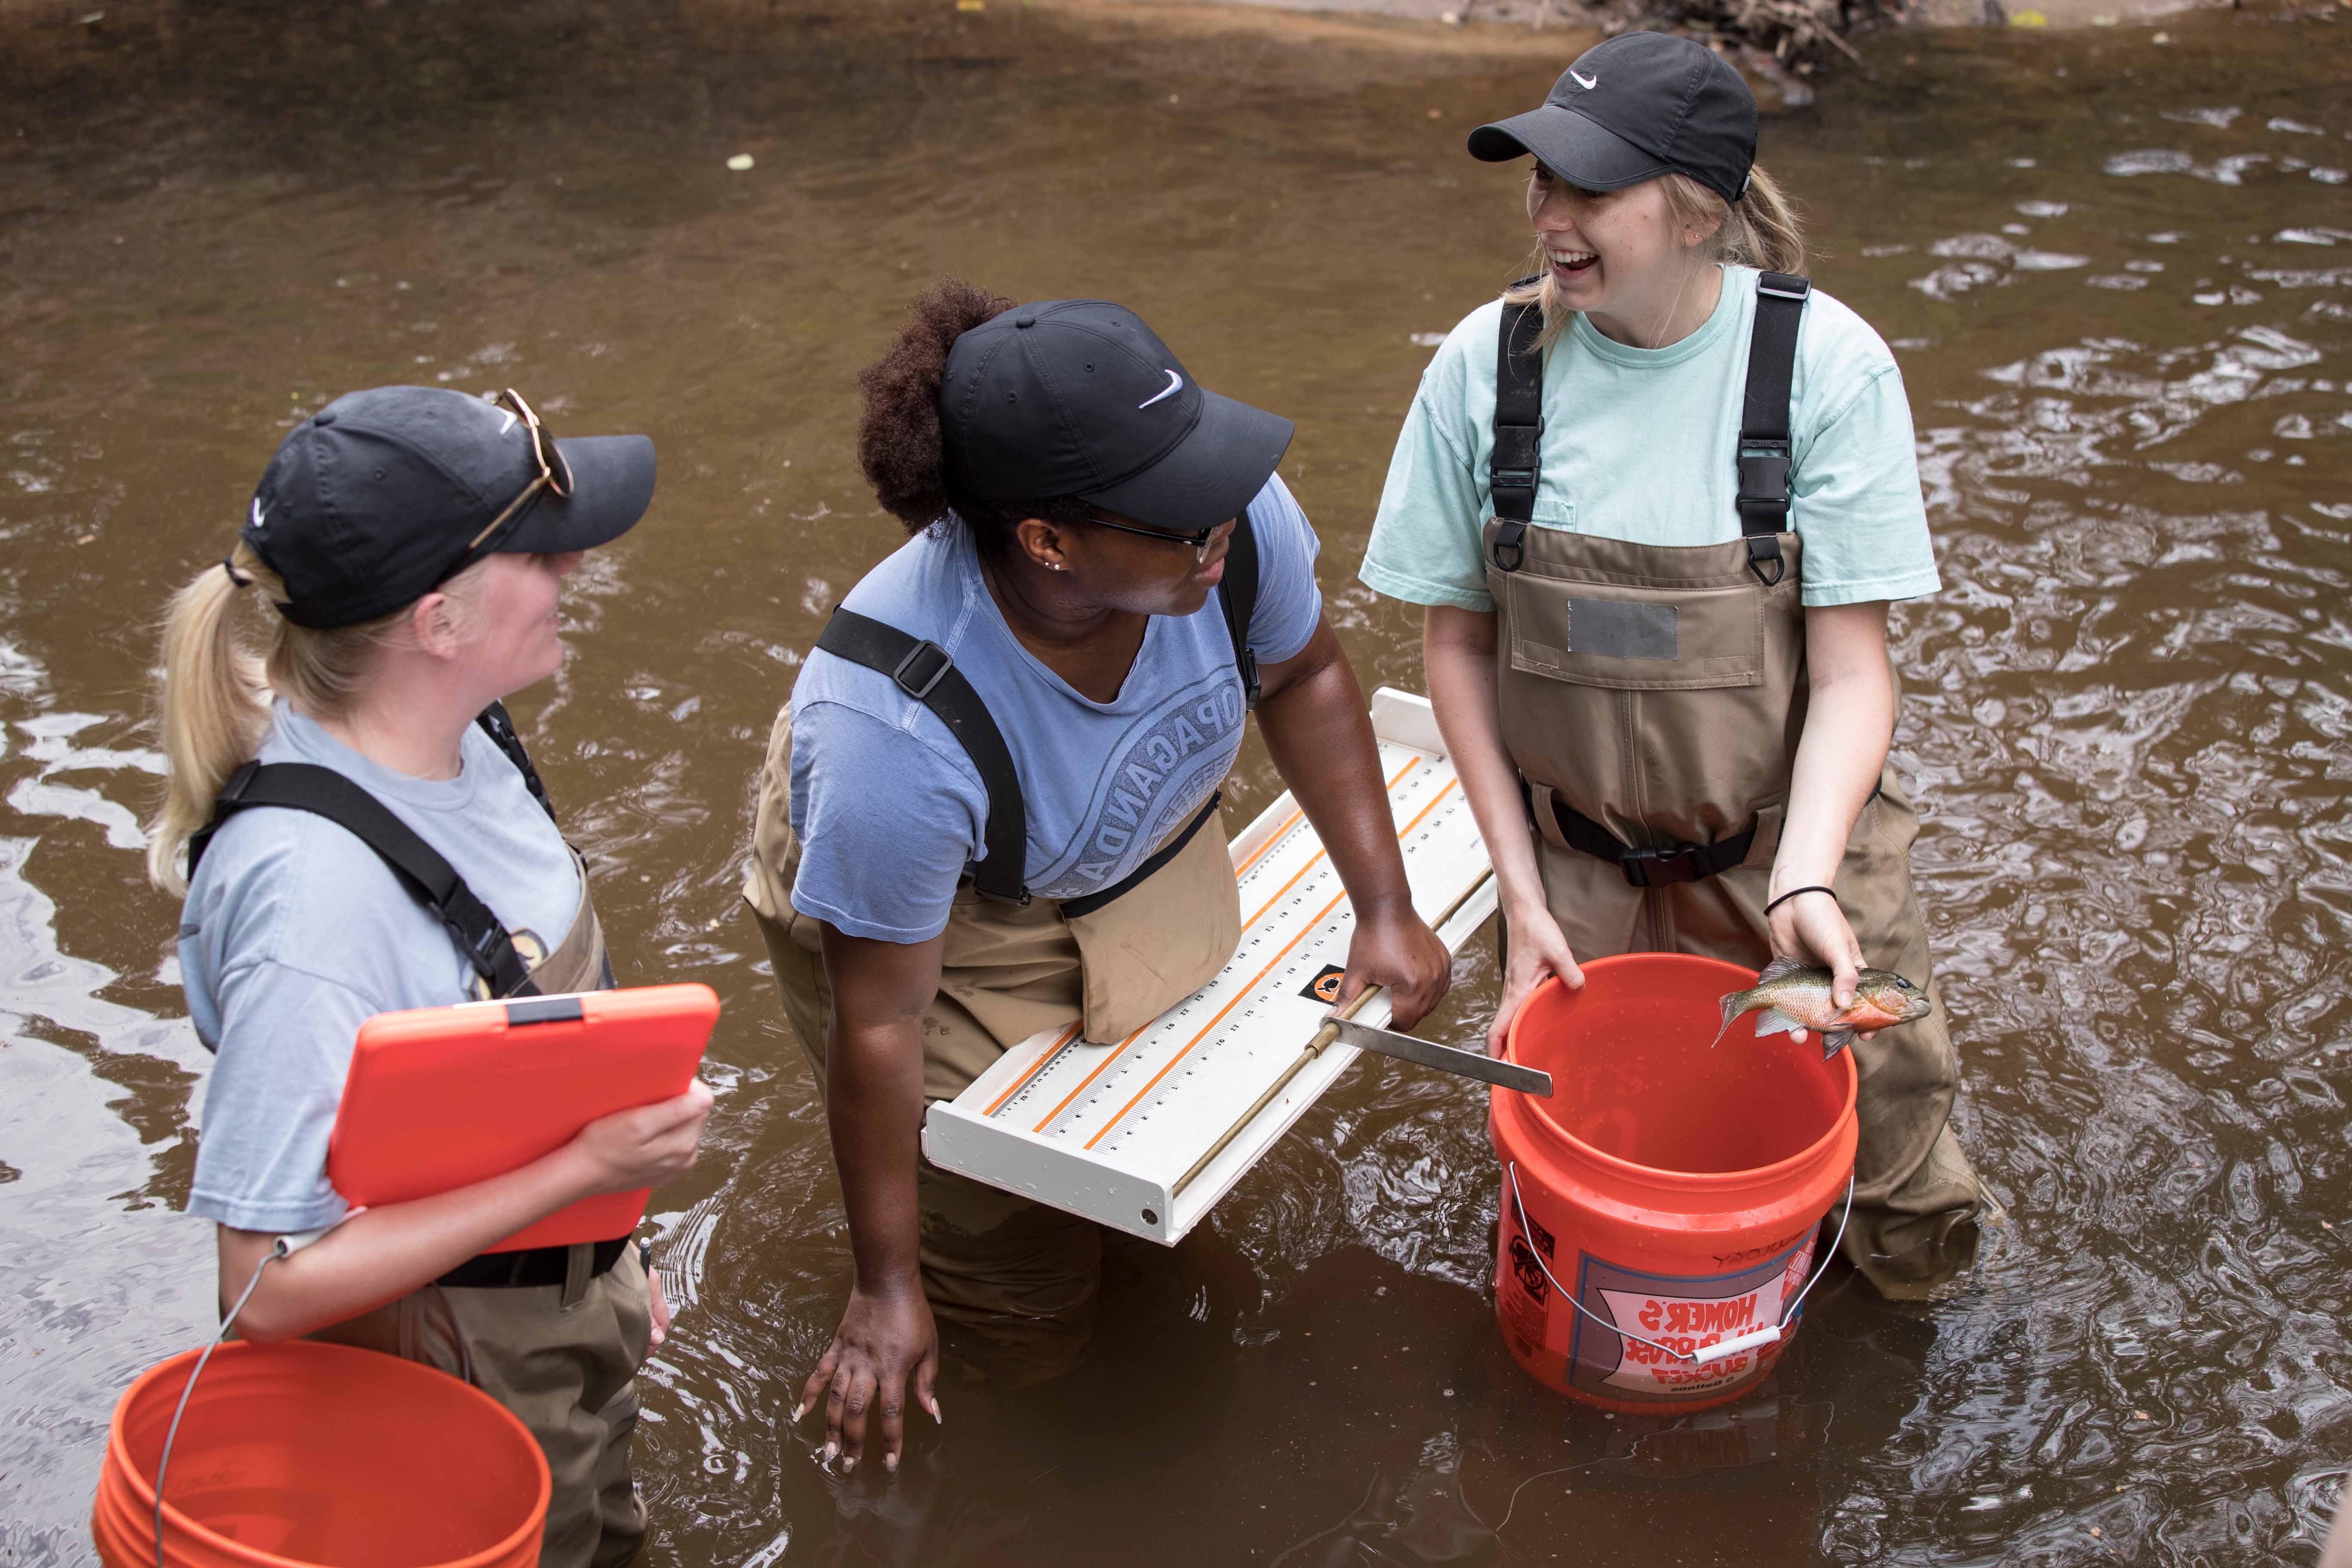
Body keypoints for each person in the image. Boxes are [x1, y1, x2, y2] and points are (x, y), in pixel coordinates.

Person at [743, 280, 1454, 1471]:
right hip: (937, 922)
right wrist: (887, 1286)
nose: (1223, 518)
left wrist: (1384, 908)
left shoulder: (1221, 528)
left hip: (1120, 846)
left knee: (1157, 1196)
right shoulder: (893, 736)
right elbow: (882, 1023)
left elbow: (1311, 677)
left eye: (1213, 473)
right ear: (1048, 542)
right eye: (1179, 513)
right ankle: (1030, 1420)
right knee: (1017, 1272)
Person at [1358, 32, 1983, 1299]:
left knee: (1893, 1152)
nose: (1549, 218)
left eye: (1590, 190)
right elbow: (1458, 644)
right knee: (1584, 1151)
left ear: (1699, 209)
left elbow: (1855, 676)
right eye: (1540, 180)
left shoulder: (1825, 367)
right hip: (1574, 868)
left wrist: (1809, 872)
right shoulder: (1487, 367)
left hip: (1788, 847)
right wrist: (1518, 887)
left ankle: (1934, 1365)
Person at [151, 386, 713, 1568]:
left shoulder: (469, 731)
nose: (573, 571)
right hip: (461, 1374)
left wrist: (615, 1248)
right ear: (439, 622)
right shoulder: (316, 902)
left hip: (565, 1288)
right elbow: (265, 1293)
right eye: (539, 552)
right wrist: (582, 1172)